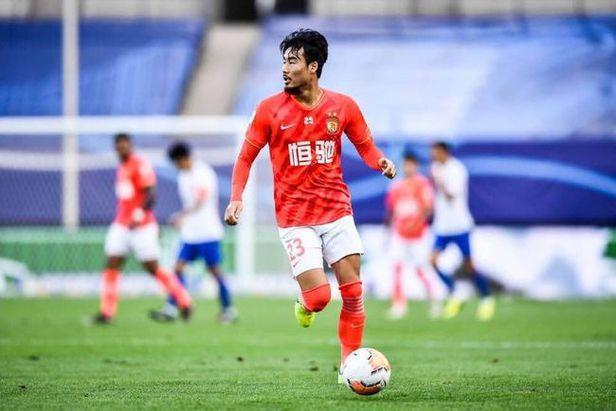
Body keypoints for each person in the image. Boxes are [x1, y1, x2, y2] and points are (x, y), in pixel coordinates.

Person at [223, 29, 396, 383]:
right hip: (295, 218)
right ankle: (305, 303)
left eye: (292, 61)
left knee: (353, 291)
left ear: (313, 66)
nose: (284, 69)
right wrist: (236, 196)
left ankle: (348, 368)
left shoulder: (343, 106)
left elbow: (365, 146)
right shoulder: (269, 110)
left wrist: (380, 161)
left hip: (337, 210)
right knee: (319, 298)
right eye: (284, 61)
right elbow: (245, 158)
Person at [93, 133, 192, 324]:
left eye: (125, 145)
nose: (122, 149)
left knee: (152, 267)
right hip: (121, 224)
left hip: (142, 226)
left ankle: (184, 301)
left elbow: (151, 192)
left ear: (130, 146)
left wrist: (139, 214)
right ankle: (107, 312)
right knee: (111, 263)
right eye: (119, 146)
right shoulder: (122, 167)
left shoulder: (140, 164)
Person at [149, 142, 238, 324]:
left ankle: (228, 309)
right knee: (178, 268)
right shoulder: (183, 176)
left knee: (215, 270)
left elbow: (200, 201)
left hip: (208, 232)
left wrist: (181, 216)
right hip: (190, 234)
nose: (176, 167)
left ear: (183, 158)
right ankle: (172, 307)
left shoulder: (203, 173)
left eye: (176, 162)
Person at [429, 141, 495, 321]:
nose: (433, 155)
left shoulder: (457, 169)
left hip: (459, 225)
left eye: (435, 152)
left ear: (444, 152)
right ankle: (456, 293)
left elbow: (451, 196)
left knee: (469, 266)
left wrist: (439, 181)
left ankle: (486, 298)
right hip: (442, 226)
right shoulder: (436, 167)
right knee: (432, 261)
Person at [385, 150, 439, 319]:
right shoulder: (396, 186)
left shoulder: (422, 184)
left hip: (418, 235)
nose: (408, 167)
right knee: (396, 267)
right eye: (405, 164)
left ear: (415, 165)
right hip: (400, 234)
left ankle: (433, 301)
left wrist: (417, 223)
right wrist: (389, 230)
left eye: (410, 164)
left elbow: (428, 208)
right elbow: (391, 210)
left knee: (421, 269)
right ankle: (399, 304)